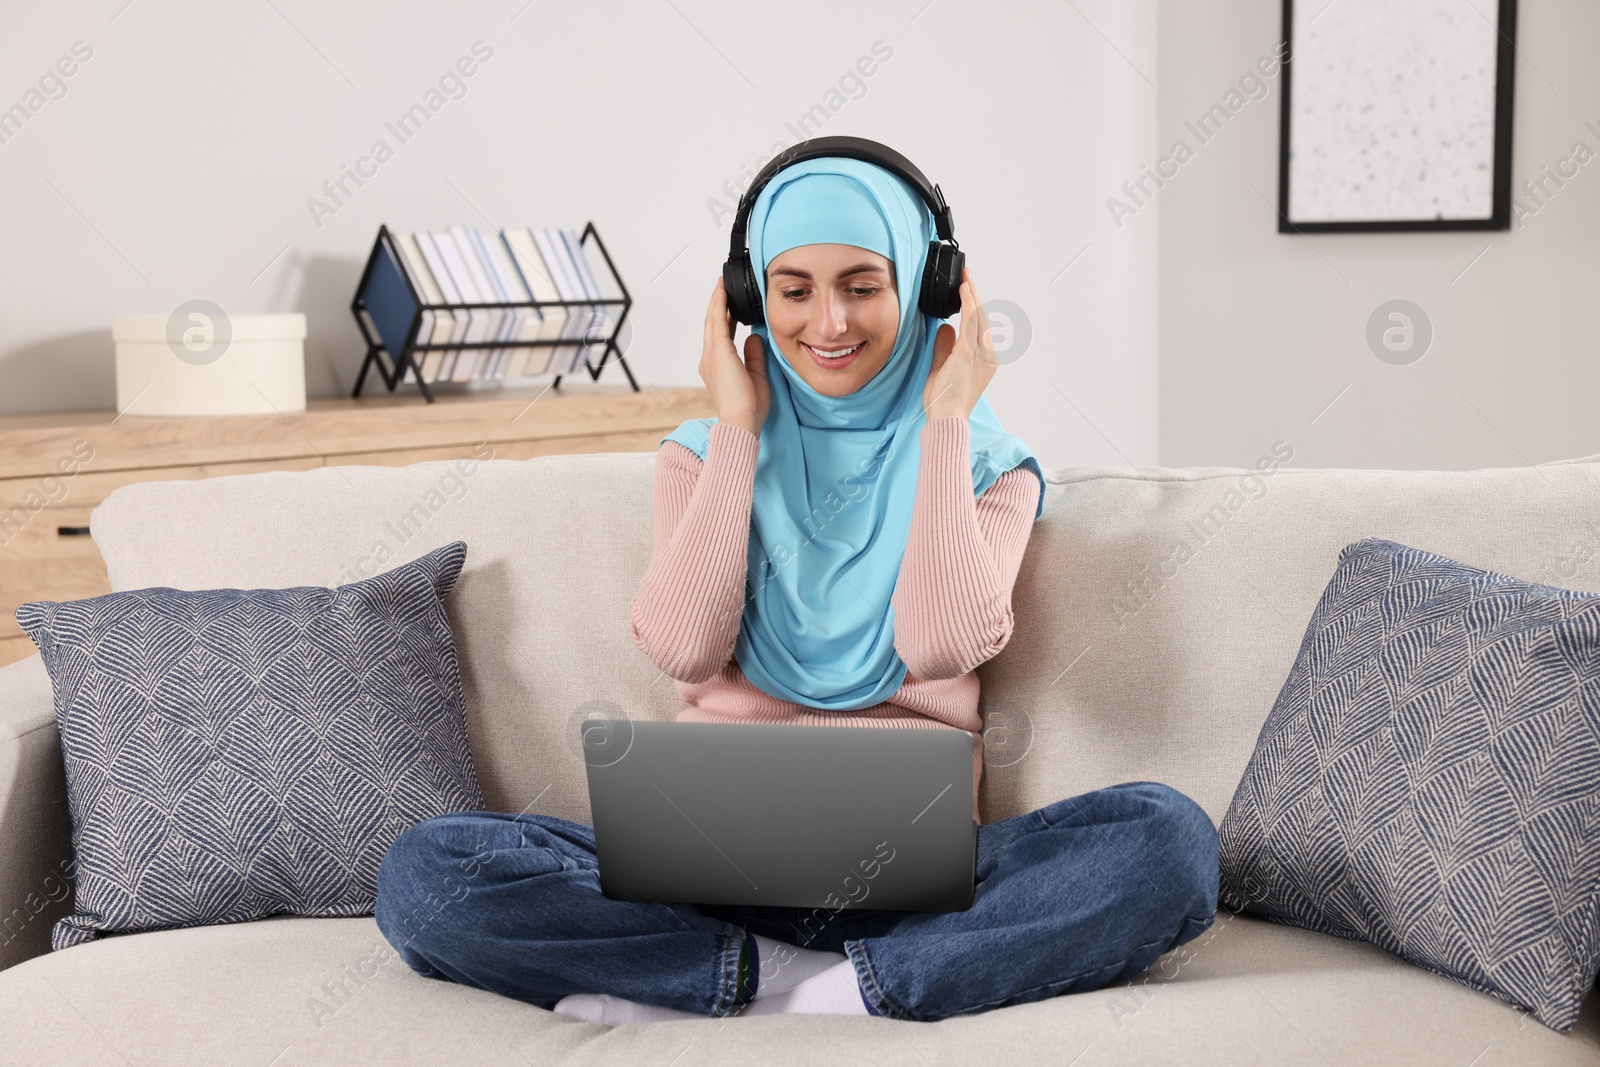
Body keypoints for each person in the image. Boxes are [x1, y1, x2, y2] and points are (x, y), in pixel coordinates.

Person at [373, 153, 1219, 1025]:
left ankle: (822, 987)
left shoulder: (989, 467)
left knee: (1167, 842)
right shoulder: (698, 455)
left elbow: (938, 642)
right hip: (701, 880)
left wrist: (947, 419)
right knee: (426, 869)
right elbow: (683, 647)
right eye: (793, 289)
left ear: (930, 289)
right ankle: (767, 974)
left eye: (862, 285)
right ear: (748, 300)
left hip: (923, 889)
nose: (829, 322)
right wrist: (737, 428)